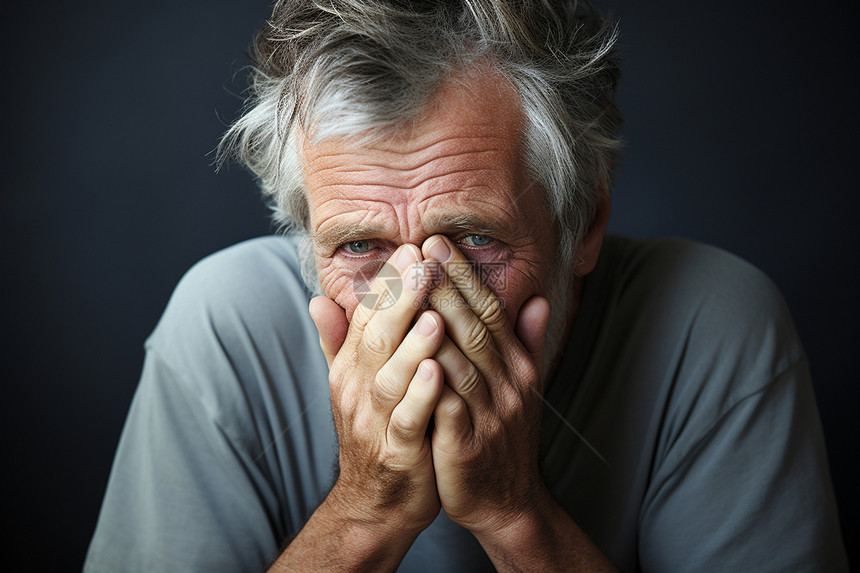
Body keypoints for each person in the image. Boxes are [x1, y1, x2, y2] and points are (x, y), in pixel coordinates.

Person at [85, 1, 848, 571]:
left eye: (475, 239)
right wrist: (364, 511)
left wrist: (516, 514)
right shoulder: (224, 327)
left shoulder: (711, 327)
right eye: (360, 245)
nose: (419, 302)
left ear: (583, 224)